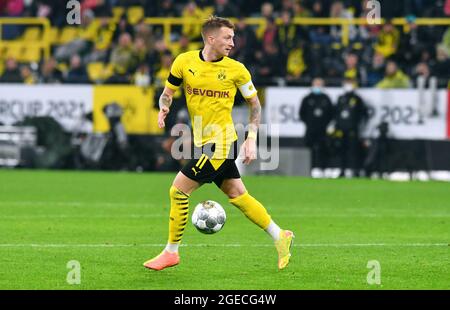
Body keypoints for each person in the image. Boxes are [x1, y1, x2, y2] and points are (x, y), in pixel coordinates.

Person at [143, 16, 294, 271]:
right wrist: (163, 108)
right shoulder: (184, 62)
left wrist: (251, 139)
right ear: (210, 38)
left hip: (222, 143)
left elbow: (255, 105)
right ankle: (280, 235)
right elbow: (167, 93)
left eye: (233, 38)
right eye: (227, 38)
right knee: (238, 195)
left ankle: (171, 252)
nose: (232, 43)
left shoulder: (237, 69)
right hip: (204, 141)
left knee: (178, 190)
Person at [334, 78, 368, 177]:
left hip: (353, 129)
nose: (348, 85)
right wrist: (337, 126)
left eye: (350, 83)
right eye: (346, 83)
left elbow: (363, 114)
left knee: (354, 151)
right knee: (341, 150)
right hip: (341, 129)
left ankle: (355, 170)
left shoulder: (357, 99)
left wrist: (358, 124)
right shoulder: (340, 98)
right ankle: (342, 170)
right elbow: (336, 113)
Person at [299, 78, 334, 176]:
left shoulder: (326, 98)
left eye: (320, 84)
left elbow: (331, 113)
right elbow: (302, 113)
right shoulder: (307, 98)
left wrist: (326, 124)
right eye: (316, 84)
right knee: (310, 149)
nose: (317, 86)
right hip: (310, 129)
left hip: (323, 129)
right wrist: (309, 123)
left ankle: (323, 168)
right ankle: (311, 168)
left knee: (324, 148)